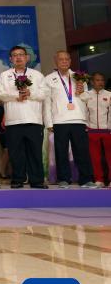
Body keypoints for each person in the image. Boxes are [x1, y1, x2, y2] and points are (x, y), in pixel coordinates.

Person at [0, 45, 50, 189]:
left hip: (34, 120)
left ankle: (37, 180)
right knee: (15, 153)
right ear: (10, 59)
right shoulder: (4, 75)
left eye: (21, 54)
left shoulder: (37, 75)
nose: (18, 57)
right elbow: (0, 94)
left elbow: (44, 94)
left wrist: (30, 93)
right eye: (15, 55)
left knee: (35, 152)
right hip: (13, 121)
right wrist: (16, 95)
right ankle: (18, 179)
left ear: (27, 58)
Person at [43, 51, 97, 188]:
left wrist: (81, 92)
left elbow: (86, 98)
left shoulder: (79, 77)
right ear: (56, 61)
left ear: (70, 61)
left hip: (78, 119)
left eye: (67, 59)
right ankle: (63, 179)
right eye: (61, 59)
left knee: (82, 151)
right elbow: (47, 103)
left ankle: (86, 179)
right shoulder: (49, 79)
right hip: (59, 120)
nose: (64, 61)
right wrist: (49, 122)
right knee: (61, 151)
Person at [80, 72, 110, 187]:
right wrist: (86, 126)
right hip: (92, 131)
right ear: (92, 82)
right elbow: (83, 112)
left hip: (107, 131)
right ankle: (99, 179)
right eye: (97, 80)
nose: (100, 82)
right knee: (95, 158)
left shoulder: (109, 95)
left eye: (102, 80)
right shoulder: (86, 95)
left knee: (110, 157)